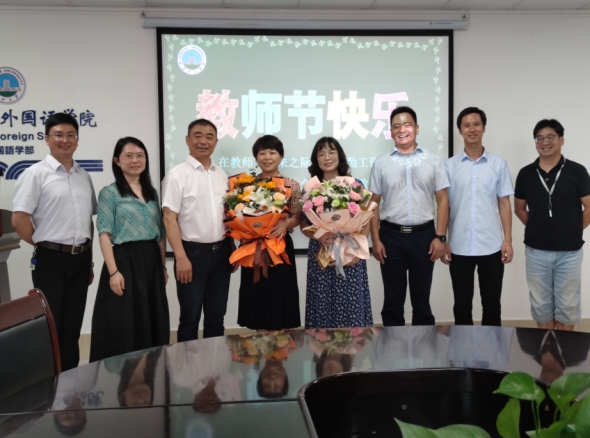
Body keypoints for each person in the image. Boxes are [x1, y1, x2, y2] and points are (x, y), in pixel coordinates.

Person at [12, 112, 96, 371]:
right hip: (50, 260)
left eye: (71, 135)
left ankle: (70, 381)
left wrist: (90, 261)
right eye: (58, 135)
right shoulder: (35, 174)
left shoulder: (84, 176)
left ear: (77, 140)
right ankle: (49, 384)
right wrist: (45, 245)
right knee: (51, 326)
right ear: (47, 138)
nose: (65, 140)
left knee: (72, 327)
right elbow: (19, 219)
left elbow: (88, 222)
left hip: (81, 259)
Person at [89, 137, 169, 362]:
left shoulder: (152, 192)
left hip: (151, 261)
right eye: (129, 156)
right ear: (117, 161)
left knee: (151, 316)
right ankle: (125, 373)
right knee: (123, 319)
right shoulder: (109, 193)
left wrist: (163, 267)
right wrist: (113, 272)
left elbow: (160, 235)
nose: (135, 160)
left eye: (140, 155)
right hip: (124, 261)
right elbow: (104, 234)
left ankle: (149, 369)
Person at [369, 106, 449, 326]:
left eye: (407, 124)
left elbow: (443, 200)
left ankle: (423, 348)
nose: (402, 129)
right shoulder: (381, 163)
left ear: (417, 128)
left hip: (424, 236)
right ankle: (392, 347)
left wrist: (440, 237)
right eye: (396, 126)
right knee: (392, 302)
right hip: (390, 236)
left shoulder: (433, 159)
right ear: (391, 132)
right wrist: (376, 240)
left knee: (421, 302)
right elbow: (373, 204)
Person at [162, 119, 234, 341]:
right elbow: (169, 218)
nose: (203, 141)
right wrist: (180, 258)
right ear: (187, 140)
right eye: (198, 135)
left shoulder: (222, 175)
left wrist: (232, 250)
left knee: (216, 318)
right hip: (191, 255)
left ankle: (214, 364)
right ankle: (187, 365)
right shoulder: (176, 175)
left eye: (209, 136)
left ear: (216, 142)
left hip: (222, 254)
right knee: (190, 318)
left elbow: (228, 216)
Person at [514, 119, 590, 331]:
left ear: (561, 140)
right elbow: (519, 208)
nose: (544, 142)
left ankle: (564, 350)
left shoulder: (577, 171)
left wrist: (574, 228)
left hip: (570, 252)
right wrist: (538, 227)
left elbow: (589, 207)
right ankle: (548, 351)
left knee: (568, 306)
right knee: (541, 306)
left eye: (550, 137)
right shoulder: (526, 173)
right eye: (539, 138)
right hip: (536, 252)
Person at [443, 107, 514, 326]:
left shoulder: (498, 164)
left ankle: (491, 348)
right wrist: (443, 239)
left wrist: (508, 240)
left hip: (491, 245)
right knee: (461, 306)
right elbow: (444, 206)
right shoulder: (449, 166)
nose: (471, 129)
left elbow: (504, 203)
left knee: (492, 306)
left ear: (483, 128)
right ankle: (463, 348)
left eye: (476, 124)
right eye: (466, 125)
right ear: (459, 130)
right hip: (459, 245)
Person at [301, 136, 373, 329]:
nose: (327, 157)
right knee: (321, 304)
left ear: (339, 155)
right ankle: (321, 345)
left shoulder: (354, 184)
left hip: (350, 251)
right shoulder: (310, 189)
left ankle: (352, 345)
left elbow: (366, 219)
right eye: (321, 153)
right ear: (316, 159)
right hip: (321, 252)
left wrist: (358, 250)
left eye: (331, 152)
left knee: (351, 303)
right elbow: (303, 225)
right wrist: (319, 236)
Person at [237, 135, 301, 331]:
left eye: (272, 152)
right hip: (253, 247)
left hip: (280, 245)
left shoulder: (291, 184)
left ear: (280, 156)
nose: (267, 157)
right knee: (256, 296)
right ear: (256, 157)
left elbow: (299, 216)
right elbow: (237, 215)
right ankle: (258, 342)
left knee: (280, 294)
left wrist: (286, 223)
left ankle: (280, 347)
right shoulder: (246, 185)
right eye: (262, 153)